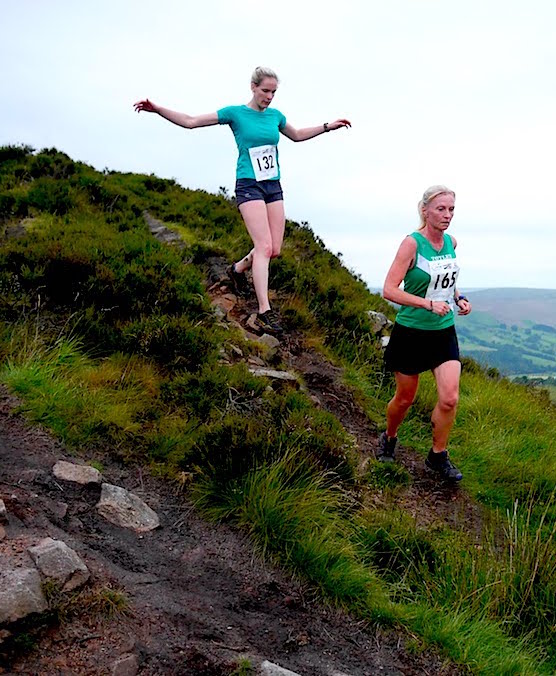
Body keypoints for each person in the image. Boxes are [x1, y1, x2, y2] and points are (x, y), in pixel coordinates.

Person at [134, 66, 351, 334]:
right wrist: (157, 109)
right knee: (263, 247)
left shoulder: (275, 116)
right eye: (265, 91)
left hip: (273, 185)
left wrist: (328, 126)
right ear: (253, 87)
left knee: (274, 249)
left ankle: (236, 270)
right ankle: (264, 311)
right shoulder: (235, 113)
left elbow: (296, 135)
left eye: (273, 92)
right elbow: (191, 121)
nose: (269, 97)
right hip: (249, 185)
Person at [377, 185, 472, 481]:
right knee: (404, 399)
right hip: (411, 332)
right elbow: (389, 290)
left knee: (450, 398)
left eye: (452, 209)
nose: (447, 215)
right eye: (441, 209)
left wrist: (458, 297)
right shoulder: (412, 244)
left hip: (443, 332)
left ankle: (437, 455)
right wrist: (427, 304)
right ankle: (389, 437)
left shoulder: (451, 242)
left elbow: (447, 276)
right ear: (425, 210)